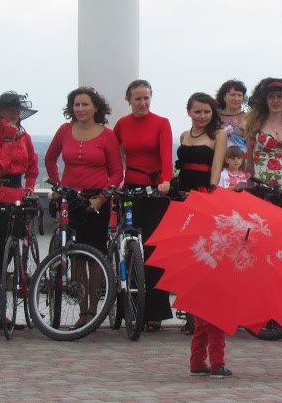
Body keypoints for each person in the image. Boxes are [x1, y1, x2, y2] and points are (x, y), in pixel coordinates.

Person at [45, 87, 122, 328]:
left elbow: (116, 172)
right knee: (76, 255)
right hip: (71, 198)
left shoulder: (107, 135)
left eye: (85, 104)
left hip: (97, 199)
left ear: (95, 107)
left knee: (95, 254)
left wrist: (102, 197)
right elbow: (50, 158)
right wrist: (57, 185)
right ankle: (82, 310)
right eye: (77, 105)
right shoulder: (64, 130)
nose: (80, 109)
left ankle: (93, 310)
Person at [175, 92, 232, 378]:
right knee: (196, 280)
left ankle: (211, 359)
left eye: (206, 112)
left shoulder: (219, 135)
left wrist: (208, 199)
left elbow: (216, 171)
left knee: (212, 279)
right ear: (189, 112)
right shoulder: (184, 136)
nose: (202, 116)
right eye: (197, 111)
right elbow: (180, 172)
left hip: (206, 205)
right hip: (182, 206)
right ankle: (199, 360)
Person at [113, 79, 173, 331]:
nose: (142, 103)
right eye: (137, 98)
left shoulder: (161, 123)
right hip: (130, 188)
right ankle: (129, 307)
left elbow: (166, 155)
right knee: (128, 248)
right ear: (129, 100)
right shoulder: (122, 124)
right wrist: (116, 179)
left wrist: (166, 180)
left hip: (154, 190)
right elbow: (114, 155)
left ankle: (156, 310)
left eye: (146, 98)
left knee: (153, 249)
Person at [0, 91, 39, 330]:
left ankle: (0, 311)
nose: (14, 114)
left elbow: (32, 167)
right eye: (9, 109)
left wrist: (30, 188)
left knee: (10, 255)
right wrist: (7, 139)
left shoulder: (26, 137)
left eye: (17, 110)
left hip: (17, 195)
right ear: (0, 112)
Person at [244, 78, 282, 188]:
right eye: (271, 96)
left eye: (280, 96)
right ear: (266, 100)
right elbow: (250, 163)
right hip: (262, 189)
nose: (275, 100)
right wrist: (249, 189)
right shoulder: (254, 126)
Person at [216, 79, 248, 150]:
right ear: (224, 96)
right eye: (233, 95)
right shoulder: (214, 116)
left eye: (239, 95)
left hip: (242, 156)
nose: (236, 98)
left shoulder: (248, 118)